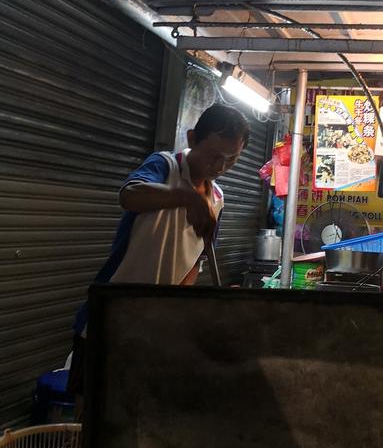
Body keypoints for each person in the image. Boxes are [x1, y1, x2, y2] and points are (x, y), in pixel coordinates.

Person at [67, 102, 250, 399]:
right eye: (214, 155)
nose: (220, 167)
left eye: (231, 160)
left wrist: (178, 310)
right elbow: (129, 195)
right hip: (110, 314)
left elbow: (197, 260)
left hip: (155, 324)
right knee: (92, 418)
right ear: (192, 139)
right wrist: (186, 197)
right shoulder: (165, 166)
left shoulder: (217, 198)